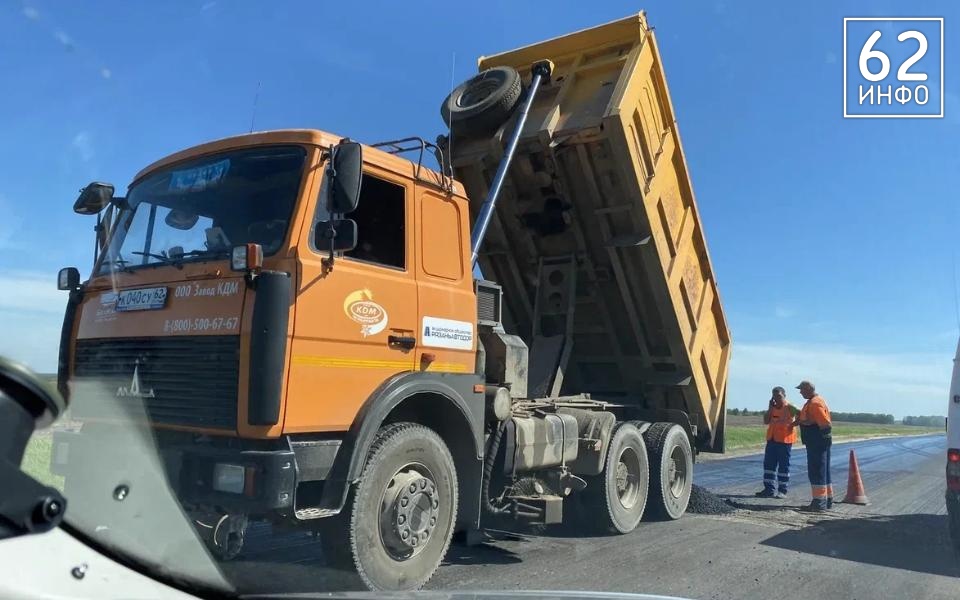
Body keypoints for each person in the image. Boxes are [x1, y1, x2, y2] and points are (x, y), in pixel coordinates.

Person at [793, 380, 833, 511]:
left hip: (816, 442)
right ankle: (826, 500)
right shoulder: (812, 402)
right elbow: (810, 419)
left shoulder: (815, 403)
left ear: (809, 389)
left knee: (816, 470)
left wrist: (823, 440)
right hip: (818, 441)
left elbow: (824, 423)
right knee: (823, 470)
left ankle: (819, 503)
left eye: (802, 389)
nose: (800, 392)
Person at [755, 386, 797, 498]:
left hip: (785, 441)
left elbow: (802, 415)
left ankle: (782, 491)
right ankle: (768, 489)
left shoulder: (790, 407)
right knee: (769, 465)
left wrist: (793, 424)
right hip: (772, 440)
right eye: (774, 396)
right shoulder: (772, 408)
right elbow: (766, 421)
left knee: (783, 466)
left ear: (784, 395)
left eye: (779, 396)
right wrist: (770, 408)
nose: (776, 398)